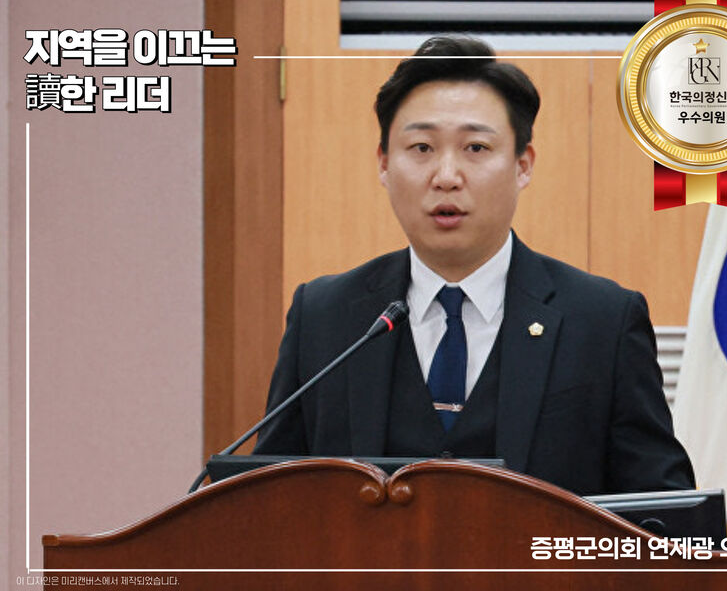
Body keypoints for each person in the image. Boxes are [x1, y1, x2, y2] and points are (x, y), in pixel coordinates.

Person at [252, 36, 695, 496]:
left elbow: (663, 512)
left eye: (476, 148)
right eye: (421, 147)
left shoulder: (603, 321)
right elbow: (265, 500)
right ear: (384, 163)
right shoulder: (325, 316)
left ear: (523, 165)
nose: (446, 177)